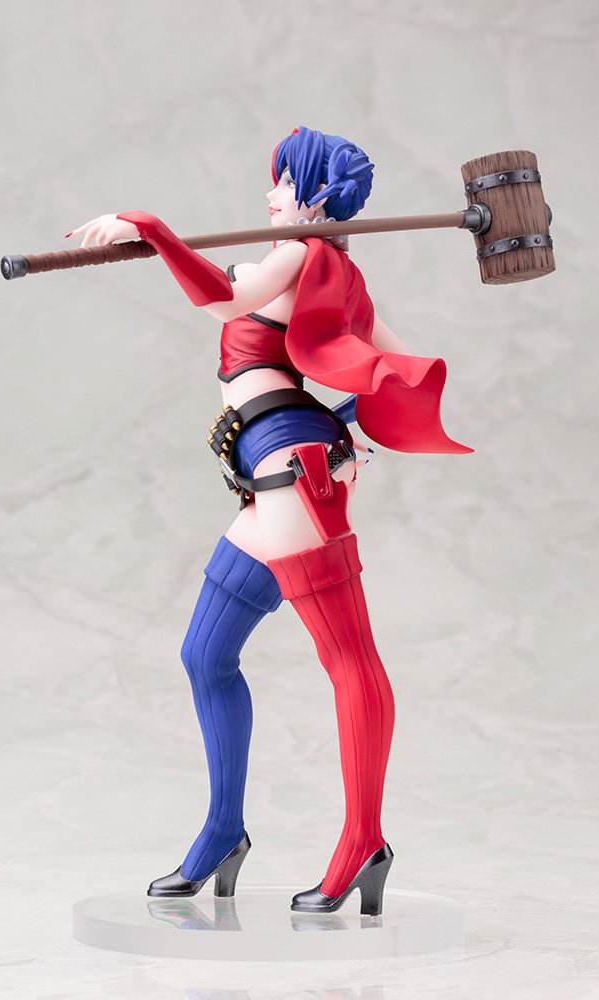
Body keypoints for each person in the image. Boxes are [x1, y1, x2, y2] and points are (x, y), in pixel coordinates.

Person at [68, 126, 471, 916]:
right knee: (205, 655)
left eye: (282, 182)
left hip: (292, 475)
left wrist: (152, 229)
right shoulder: (335, 271)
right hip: (274, 476)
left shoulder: (300, 253)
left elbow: (222, 300)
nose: (269, 195)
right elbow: (385, 367)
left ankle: (362, 842)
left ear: (313, 197)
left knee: (348, 658)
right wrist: (345, 428)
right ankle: (223, 832)